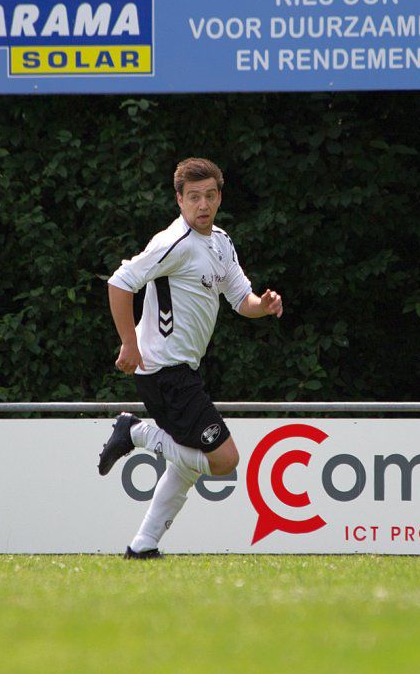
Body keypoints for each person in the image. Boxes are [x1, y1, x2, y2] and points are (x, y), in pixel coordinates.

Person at [97, 157, 283, 558]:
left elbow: (241, 299)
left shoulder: (221, 242)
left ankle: (142, 546)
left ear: (219, 198)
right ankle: (135, 432)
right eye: (194, 197)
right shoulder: (174, 242)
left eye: (210, 196)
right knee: (224, 460)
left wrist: (263, 305)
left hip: (183, 370)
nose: (203, 204)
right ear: (179, 200)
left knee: (186, 464)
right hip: (164, 371)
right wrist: (129, 343)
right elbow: (120, 282)